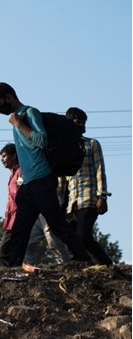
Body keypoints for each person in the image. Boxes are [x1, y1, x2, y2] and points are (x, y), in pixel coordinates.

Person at [0, 82, 91, 269]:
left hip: (42, 179)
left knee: (57, 224)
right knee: (20, 229)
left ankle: (84, 260)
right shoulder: (16, 120)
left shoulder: (30, 113)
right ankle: (14, 269)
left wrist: (19, 124)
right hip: (29, 183)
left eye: (0, 103)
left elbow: (41, 140)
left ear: (9, 97)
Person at [0, 143, 70, 267]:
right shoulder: (13, 175)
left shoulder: (23, 171)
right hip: (25, 215)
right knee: (28, 243)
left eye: (4, 156)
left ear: (14, 155)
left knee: (52, 239)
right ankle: (26, 268)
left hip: (38, 210)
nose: (2, 160)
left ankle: (65, 266)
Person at [58, 107, 113, 265]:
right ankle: (91, 265)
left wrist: (102, 196)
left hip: (89, 197)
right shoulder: (64, 149)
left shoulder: (92, 144)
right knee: (75, 239)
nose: (81, 125)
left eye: (83, 122)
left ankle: (106, 266)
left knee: (83, 236)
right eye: (78, 121)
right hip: (71, 203)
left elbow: (99, 170)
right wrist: (60, 201)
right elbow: (62, 178)